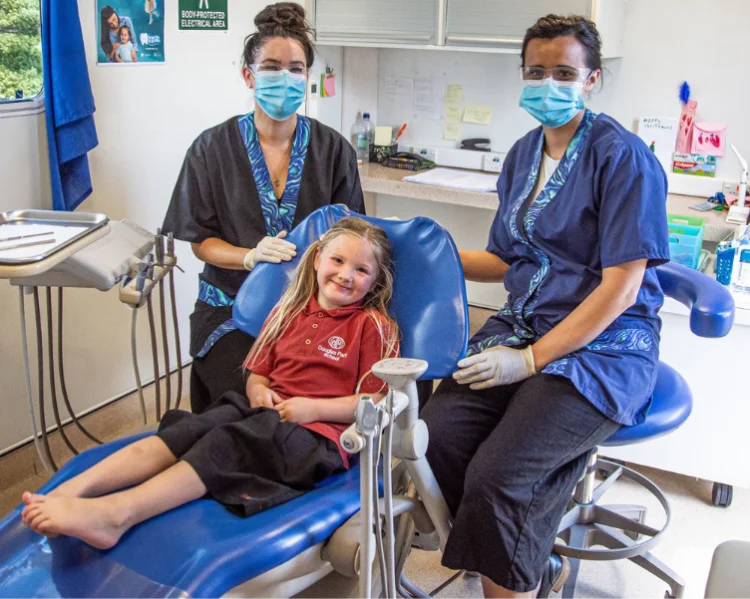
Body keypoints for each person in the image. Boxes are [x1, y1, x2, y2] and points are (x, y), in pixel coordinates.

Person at [421, 14, 670, 599]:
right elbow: (509, 259)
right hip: (522, 326)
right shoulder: (523, 154)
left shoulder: (623, 158)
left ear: (592, 79)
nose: (548, 84)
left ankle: (514, 570)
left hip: (604, 343)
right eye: (536, 72)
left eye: (564, 72)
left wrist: (530, 361)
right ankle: (526, 564)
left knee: (501, 475)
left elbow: (621, 289)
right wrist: (426, 251)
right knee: (437, 437)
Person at [20, 217, 399, 550]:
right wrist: (258, 391)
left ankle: (116, 516)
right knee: (190, 428)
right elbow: (258, 374)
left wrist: (313, 408)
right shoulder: (288, 311)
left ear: (376, 280)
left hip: (318, 437)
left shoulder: (373, 327)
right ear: (317, 259)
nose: (346, 275)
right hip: (263, 413)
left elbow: (377, 399)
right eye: (337, 260)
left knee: (223, 443)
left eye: (361, 270)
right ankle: (70, 490)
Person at [162, 3, 365, 414]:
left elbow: (353, 232)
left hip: (313, 311)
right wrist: (248, 257)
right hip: (229, 310)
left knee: (304, 406)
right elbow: (200, 241)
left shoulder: (332, 150)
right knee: (250, 408)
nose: (285, 78)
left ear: (307, 77)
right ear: (248, 75)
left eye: (295, 69)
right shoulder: (210, 149)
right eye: (272, 67)